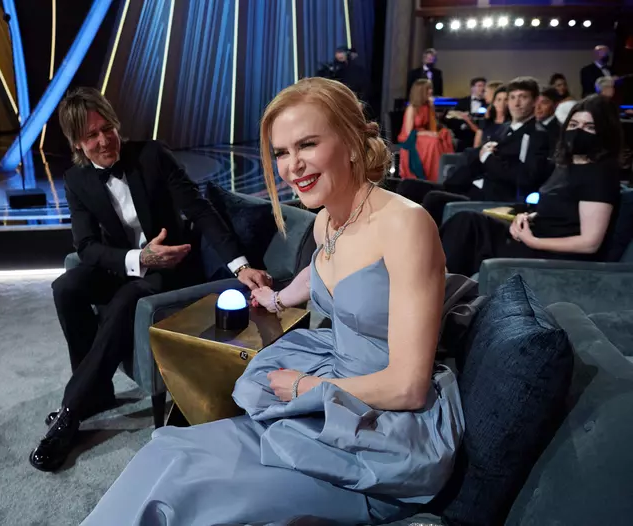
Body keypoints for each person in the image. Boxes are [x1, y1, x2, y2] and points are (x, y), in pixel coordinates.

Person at [81, 77, 464, 526]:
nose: (291, 166)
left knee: (190, 491)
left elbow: (408, 387)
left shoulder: (406, 225)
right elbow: (322, 267)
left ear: (353, 141)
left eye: (307, 144)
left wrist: (303, 388)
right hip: (333, 393)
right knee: (168, 449)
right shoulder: (327, 222)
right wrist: (277, 297)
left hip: (381, 435)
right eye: (281, 152)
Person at [28, 87, 271, 472]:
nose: (105, 139)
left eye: (108, 128)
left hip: (172, 272)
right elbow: (87, 246)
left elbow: (200, 210)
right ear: (77, 142)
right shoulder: (77, 180)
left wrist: (241, 266)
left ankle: (70, 414)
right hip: (127, 267)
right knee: (66, 286)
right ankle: (97, 394)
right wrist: (137, 258)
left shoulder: (152, 156)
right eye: (92, 135)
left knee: (131, 298)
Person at [441, 95, 622, 277]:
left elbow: (590, 243)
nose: (578, 131)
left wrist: (533, 241)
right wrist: (526, 217)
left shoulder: (600, 174)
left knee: (468, 228)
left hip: (550, 256)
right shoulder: (567, 166)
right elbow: (560, 212)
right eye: (573, 125)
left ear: (605, 132)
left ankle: (436, 287)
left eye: (589, 127)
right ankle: (435, 283)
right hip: (532, 238)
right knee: (466, 222)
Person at [397, 77, 552, 226]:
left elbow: (526, 178)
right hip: (468, 185)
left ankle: (421, 248)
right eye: (512, 97)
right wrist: (480, 155)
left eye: (523, 97)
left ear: (535, 101)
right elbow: (476, 155)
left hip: (494, 197)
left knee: (434, 198)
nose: (516, 103)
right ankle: (392, 241)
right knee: (408, 186)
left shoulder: (537, 135)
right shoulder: (504, 128)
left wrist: (487, 158)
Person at [397, 79, 455, 181]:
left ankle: (446, 172)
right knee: (434, 141)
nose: (431, 91)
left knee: (445, 134)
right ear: (421, 91)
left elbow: (433, 126)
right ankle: (433, 176)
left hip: (424, 134)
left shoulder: (427, 106)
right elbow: (408, 132)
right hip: (412, 138)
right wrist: (427, 133)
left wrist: (432, 107)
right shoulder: (412, 108)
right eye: (428, 89)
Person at [536, 87, 561, 155]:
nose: (537, 107)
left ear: (556, 105)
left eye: (544, 102)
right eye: (535, 102)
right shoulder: (529, 125)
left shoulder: (560, 131)